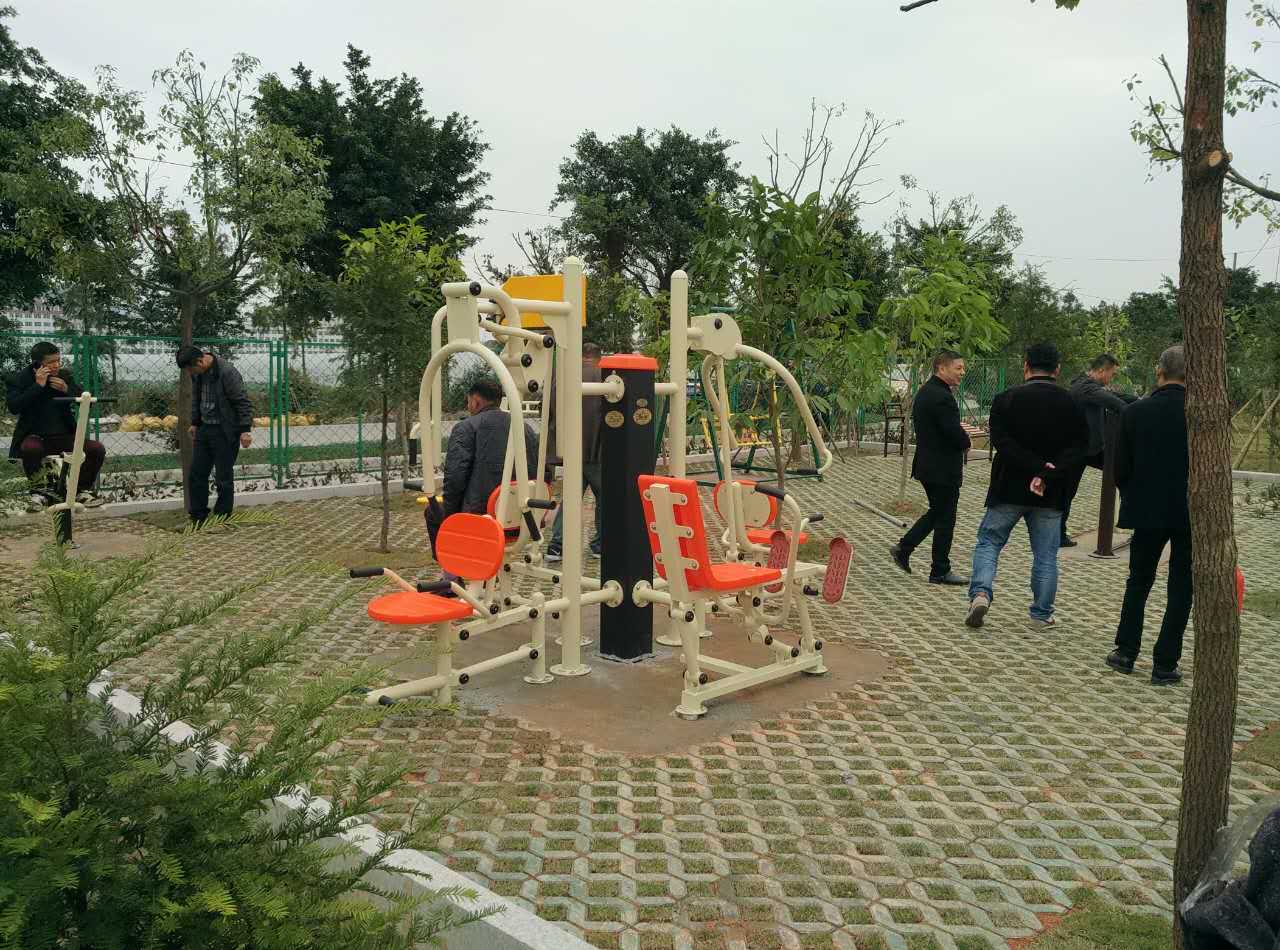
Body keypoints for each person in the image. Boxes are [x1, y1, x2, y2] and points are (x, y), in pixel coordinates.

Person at [965, 342, 1090, 629]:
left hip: (1008, 487)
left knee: (989, 542)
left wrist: (1033, 467)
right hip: (1051, 492)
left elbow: (1002, 442)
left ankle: (981, 593)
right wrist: (1047, 472)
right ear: (1057, 369)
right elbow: (1081, 447)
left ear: (1026, 366)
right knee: (1045, 555)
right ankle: (1041, 615)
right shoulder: (1071, 402)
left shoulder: (1006, 399)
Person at [1105, 345, 1190, 685]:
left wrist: (1134, 495)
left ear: (1159, 372)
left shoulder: (1135, 412)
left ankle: (1126, 652)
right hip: (1189, 510)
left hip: (1146, 509)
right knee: (1182, 587)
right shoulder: (1203, 413)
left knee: (1139, 581)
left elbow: (1120, 468)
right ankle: (1165, 664)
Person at [428, 376, 539, 567]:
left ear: (476, 401)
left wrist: (450, 515)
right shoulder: (524, 427)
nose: (468, 406)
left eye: (468, 402)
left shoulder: (466, 428)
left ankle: (452, 571)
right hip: (521, 517)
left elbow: (455, 478)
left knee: (433, 513)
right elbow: (539, 469)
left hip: (482, 517)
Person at [890, 349, 971, 585]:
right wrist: (966, 442)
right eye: (958, 368)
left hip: (929, 465)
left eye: (963, 368)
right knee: (945, 518)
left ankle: (905, 549)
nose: (962, 373)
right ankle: (939, 570)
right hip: (941, 468)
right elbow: (952, 431)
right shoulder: (941, 397)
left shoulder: (927, 391)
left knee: (938, 512)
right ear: (942, 368)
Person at [6, 341, 106, 506]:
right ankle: (39, 493)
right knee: (30, 448)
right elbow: (14, 407)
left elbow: (86, 400)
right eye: (51, 362)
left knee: (96, 449)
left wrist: (67, 390)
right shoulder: (20, 378)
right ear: (37, 364)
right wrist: (37, 386)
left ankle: (81, 491)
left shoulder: (63, 376)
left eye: (58, 360)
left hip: (64, 435)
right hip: (36, 436)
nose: (56, 365)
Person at [1059, 353, 1139, 546]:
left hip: (1093, 449)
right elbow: (1116, 403)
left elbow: (1116, 396)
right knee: (1067, 491)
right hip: (1078, 450)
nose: (1112, 378)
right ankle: (1058, 534)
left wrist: (1141, 401)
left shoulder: (1089, 386)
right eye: (1112, 374)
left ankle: (1135, 524)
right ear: (1102, 370)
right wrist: (1137, 414)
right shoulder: (1085, 387)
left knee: (1126, 473)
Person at [176, 345, 254, 525]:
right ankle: (198, 518)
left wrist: (245, 430)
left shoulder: (227, 372)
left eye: (190, 369)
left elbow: (242, 401)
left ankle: (221, 519)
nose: (190, 373)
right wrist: (195, 422)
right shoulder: (197, 373)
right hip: (204, 430)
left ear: (200, 361)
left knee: (223, 478)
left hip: (225, 431)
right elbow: (197, 398)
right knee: (197, 475)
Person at [545, 343, 604, 562]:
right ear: (598, 358)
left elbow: (549, 412)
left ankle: (556, 546)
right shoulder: (606, 376)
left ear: (581, 356)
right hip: (597, 451)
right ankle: (600, 545)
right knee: (605, 498)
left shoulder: (562, 376)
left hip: (569, 449)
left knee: (570, 499)